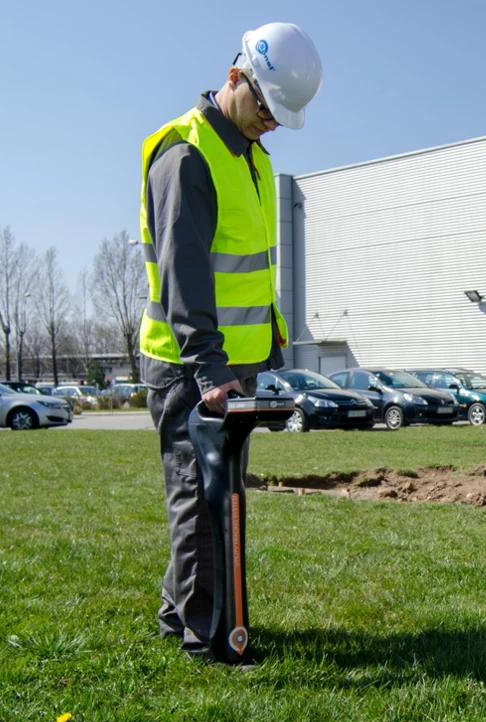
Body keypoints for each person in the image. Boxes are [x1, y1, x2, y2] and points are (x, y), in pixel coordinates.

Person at [139, 23, 322, 661]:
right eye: (266, 108)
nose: (271, 123)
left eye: (280, 116)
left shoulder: (250, 155)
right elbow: (184, 273)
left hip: (230, 364)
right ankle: (206, 635)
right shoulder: (186, 154)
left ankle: (180, 608)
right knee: (200, 499)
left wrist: (259, 358)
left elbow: (246, 269)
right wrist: (210, 370)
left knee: (221, 492)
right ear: (237, 77)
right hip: (192, 366)